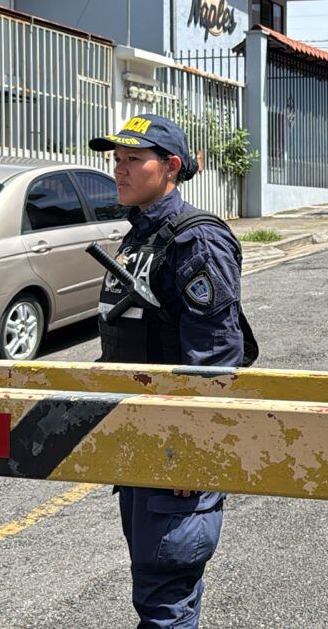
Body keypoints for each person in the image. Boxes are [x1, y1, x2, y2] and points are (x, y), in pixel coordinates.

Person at [89, 113, 251, 629]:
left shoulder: (194, 241)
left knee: (165, 597)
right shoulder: (141, 234)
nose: (119, 170)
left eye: (133, 160)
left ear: (171, 167)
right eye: (116, 160)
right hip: (142, 435)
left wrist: (190, 446)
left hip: (173, 444)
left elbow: (215, 356)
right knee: (155, 588)